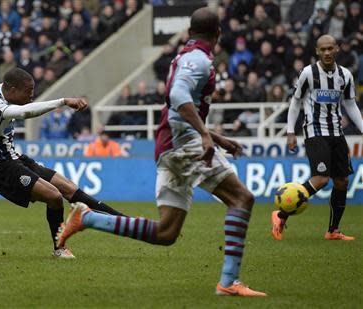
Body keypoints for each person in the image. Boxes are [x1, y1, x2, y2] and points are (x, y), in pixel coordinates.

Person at [55, 8, 267, 297]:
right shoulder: (199, 60)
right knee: (242, 198)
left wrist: (216, 137)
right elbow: (178, 97)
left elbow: (176, 106)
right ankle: (229, 281)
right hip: (184, 145)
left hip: (170, 145)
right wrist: (205, 134)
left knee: (166, 233)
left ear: (189, 32)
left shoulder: (185, 57)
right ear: (219, 34)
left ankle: (88, 218)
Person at [0, 68, 127, 259]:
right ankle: (59, 248)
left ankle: (125, 222)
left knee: (69, 188)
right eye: (28, 92)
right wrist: (63, 101)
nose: (31, 96)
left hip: (12, 157)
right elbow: (25, 112)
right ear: (11, 89)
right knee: (54, 196)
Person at [271, 35, 363, 241]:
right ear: (317, 51)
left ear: (337, 49)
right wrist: (290, 132)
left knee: (342, 181)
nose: (327, 52)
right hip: (315, 132)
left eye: (331, 48)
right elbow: (295, 103)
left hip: (337, 134)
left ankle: (333, 230)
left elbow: (350, 104)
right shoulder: (308, 73)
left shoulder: (345, 75)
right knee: (321, 179)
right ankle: (280, 214)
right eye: (323, 49)